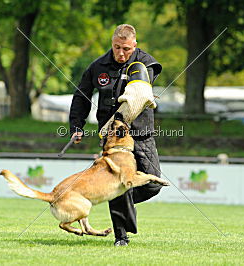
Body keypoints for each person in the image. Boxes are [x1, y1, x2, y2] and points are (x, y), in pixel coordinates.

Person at [69, 24, 163, 246]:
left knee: (153, 184)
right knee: (117, 184)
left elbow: (139, 94)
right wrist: (76, 125)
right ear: (112, 43)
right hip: (112, 139)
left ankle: (119, 195)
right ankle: (121, 237)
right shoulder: (98, 66)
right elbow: (81, 96)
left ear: (135, 45)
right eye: (117, 47)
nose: (121, 53)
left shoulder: (144, 63)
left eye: (127, 49)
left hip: (140, 134)